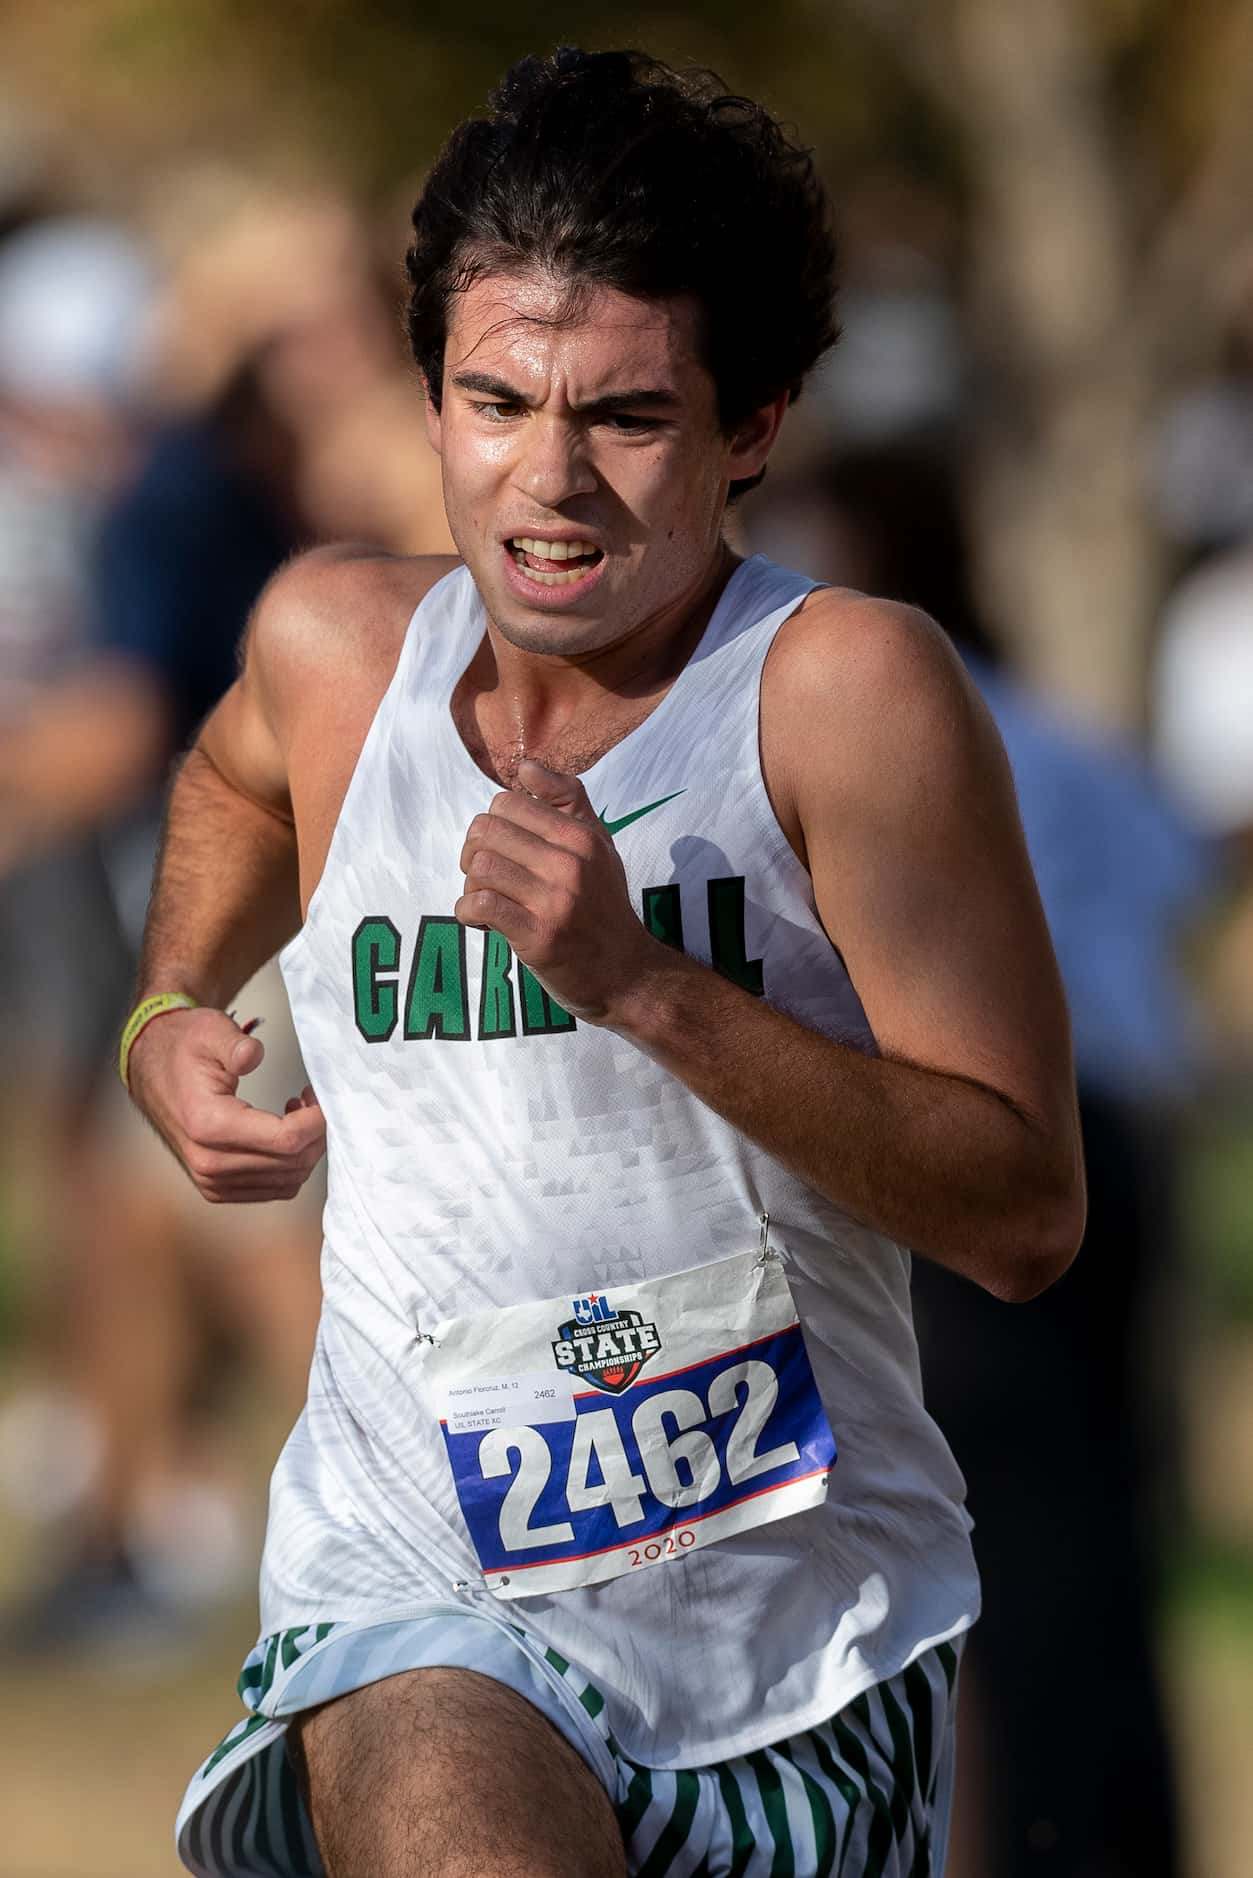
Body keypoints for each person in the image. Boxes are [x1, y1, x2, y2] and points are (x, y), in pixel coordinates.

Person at [125, 49, 1084, 1878]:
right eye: (494, 402)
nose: (547, 481)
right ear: (428, 397)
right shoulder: (335, 649)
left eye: (628, 418)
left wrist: (644, 984)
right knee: (433, 1731)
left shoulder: (839, 698)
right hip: (418, 1583)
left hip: (798, 1646)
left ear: (755, 424)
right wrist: (173, 1006)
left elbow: (1023, 1210)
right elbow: (236, 782)